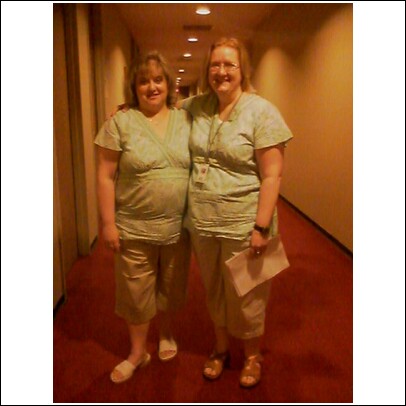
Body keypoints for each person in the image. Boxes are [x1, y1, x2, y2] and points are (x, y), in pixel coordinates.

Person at [180, 37, 293, 388]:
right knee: (214, 289)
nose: (221, 71)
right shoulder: (198, 106)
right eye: (215, 65)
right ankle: (220, 348)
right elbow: (160, 111)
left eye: (229, 64)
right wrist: (127, 108)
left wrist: (261, 227)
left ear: (243, 69)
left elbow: (272, 175)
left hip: (244, 222)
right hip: (203, 220)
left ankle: (252, 356)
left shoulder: (262, 112)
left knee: (248, 293)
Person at [94, 51, 191, 384]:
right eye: (144, 81)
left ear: (169, 83)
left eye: (158, 79)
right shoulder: (119, 122)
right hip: (133, 227)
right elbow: (105, 175)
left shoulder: (186, 118)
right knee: (135, 292)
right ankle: (137, 352)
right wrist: (108, 223)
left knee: (172, 286)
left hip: (178, 227)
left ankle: (166, 334)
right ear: (133, 87)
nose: (152, 87)